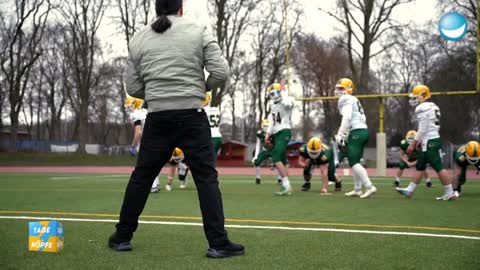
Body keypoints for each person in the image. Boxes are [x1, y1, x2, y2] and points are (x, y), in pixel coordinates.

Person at [108, 0, 244, 258]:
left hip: (158, 117)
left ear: (157, 9)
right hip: (192, 115)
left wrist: (157, 94)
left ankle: (122, 236)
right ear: (181, 8)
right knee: (205, 178)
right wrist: (201, 87)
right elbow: (221, 72)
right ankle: (218, 242)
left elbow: (132, 87)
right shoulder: (198, 29)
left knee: (142, 177)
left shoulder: (138, 38)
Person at [396, 84, 456, 200]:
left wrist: (413, 143)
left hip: (429, 141)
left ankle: (450, 192)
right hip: (432, 138)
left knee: (438, 166)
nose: (414, 99)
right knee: (420, 165)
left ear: (422, 95)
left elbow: (423, 128)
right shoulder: (434, 106)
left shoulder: (422, 108)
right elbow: (427, 126)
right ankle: (409, 190)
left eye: (415, 97)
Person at [335, 78, 377, 198]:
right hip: (362, 130)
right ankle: (357, 189)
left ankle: (369, 187)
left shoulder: (345, 98)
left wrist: (341, 134)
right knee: (356, 161)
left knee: (353, 162)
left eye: (341, 88)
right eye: (338, 88)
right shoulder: (354, 99)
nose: (338, 91)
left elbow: (347, 117)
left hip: (356, 132)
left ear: (349, 89)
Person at [125, 96, 160, 193]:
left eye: (129, 106)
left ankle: (152, 186)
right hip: (157, 136)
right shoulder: (146, 110)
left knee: (145, 163)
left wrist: (133, 145)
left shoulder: (136, 114)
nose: (128, 108)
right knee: (154, 161)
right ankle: (156, 184)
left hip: (147, 140)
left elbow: (138, 132)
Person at [265, 82, 295, 196]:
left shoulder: (287, 99)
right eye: (272, 93)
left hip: (284, 131)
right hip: (276, 133)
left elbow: (287, 104)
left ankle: (286, 185)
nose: (275, 95)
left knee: (276, 157)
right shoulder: (272, 104)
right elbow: (272, 121)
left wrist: (283, 92)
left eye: (277, 92)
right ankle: (286, 184)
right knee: (281, 158)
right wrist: (268, 133)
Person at [252, 119, 282, 185]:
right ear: (262, 126)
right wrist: (256, 156)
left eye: (268, 126)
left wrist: (274, 159)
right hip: (265, 150)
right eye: (265, 126)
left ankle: (279, 179)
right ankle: (258, 178)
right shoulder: (260, 133)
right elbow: (258, 145)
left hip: (273, 150)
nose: (266, 128)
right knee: (257, 162)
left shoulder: (274, 132)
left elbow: (278, 144)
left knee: (279, 162)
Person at [203, 92, 223, 161]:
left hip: (211, 138)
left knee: (208, 162)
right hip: (218, 137)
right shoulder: (216, 109)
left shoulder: (203, 110)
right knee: (211, 160)